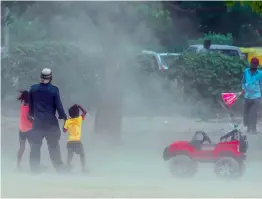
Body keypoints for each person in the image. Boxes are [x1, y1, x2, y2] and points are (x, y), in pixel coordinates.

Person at [28, 68, 67, 173]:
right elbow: (58, 106)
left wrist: (30, 116)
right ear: (51, 77)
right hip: (51, 123)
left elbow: (30, 107)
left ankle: (34, 169)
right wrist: (64, 117)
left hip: (37, 122)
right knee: (53, 145)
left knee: (35, 145)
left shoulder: (33, 89)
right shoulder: (54, 90)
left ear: (40, 76)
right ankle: (59, 167)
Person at [63, 104, 87, 172]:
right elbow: (85, 112)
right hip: (77, 142)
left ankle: (67, 167)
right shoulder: (79, 119)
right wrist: (79, 106)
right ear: (77, 113)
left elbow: (64, 130)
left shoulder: (68, 121)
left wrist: (65, 121)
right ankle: (83, 168)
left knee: (70, 155)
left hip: (70, 142)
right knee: (82, 154)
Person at [242, 57, 262, 134]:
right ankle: (248, 127)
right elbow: (243, 82)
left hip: (256, 96)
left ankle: (253, 128)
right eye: (252, 63)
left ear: (257, 65)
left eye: (255, 64)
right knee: (246, 112)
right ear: (250, 63)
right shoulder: (245, 72)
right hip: (247, 96)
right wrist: (243, 88)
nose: (254, 65)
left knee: (253, 113)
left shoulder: (260, 73)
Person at [17, 90, 33, 169]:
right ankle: (33, 165)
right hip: (29, 130)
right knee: (33, 147)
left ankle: (18, 165)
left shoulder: (22, 106)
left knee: (22, 148)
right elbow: (29, 118)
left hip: (21, 130)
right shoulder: (30, 107)